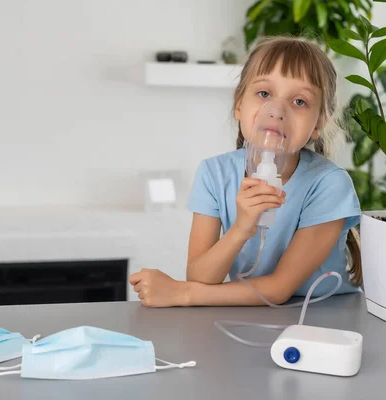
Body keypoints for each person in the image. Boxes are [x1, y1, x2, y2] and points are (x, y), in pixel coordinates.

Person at [129, 36, 362, 308]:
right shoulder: (215, 174)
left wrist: (180, 293)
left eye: (299, 101)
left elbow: (279, 289)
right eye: (264, 94)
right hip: (252, 314)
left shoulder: (329, 184)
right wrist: (241, 228)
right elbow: (200, 277)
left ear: (318, 125)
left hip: (324, 316)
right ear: (239, 105)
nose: (276, 111)